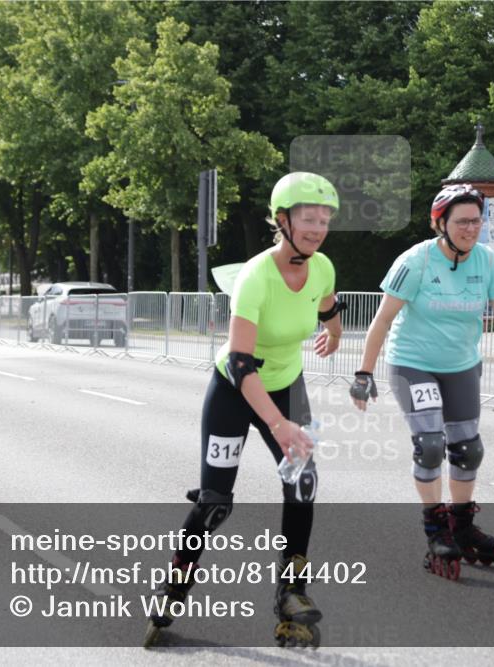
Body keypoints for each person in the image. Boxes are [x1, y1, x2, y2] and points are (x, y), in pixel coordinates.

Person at [144, 172, 344, 649]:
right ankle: (175, 586)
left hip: (287, 386)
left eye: (324, 220)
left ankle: (291, 596)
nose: (317, 228)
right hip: (236, 391)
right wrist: (278, 425)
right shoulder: (256, 276)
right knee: (214, 503)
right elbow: (239, 364)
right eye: (307, 218)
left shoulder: (322, 268)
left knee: (302, 484)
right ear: (282, 220)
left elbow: (329, 307)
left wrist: (333, 336)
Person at [349, 184, 494, 580]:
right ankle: (435, 527)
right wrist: (364, 373)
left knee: (468, 449)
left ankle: (462, 525)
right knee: (432, 444)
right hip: (413, 363)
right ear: (441, 224)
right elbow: (382, 319)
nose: (472, 228)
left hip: (461, 366)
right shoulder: (415, 261)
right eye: (462, 221)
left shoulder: (487, 262)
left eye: (477, 220)